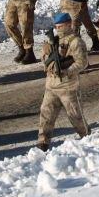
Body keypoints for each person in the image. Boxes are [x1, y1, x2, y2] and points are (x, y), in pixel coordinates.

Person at [37, 12, 90, 152]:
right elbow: (45, 62)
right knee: (46, 114)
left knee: (75, 116)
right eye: (56, 26)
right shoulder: (53, 41)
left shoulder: (76, 42)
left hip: (68, 85)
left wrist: (67, 71)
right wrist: (46, 54)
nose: (58, 29)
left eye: (61, 26)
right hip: (51, 85)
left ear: (68, 25)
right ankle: (43, 142)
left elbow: (82, 62)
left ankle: (87, 138)